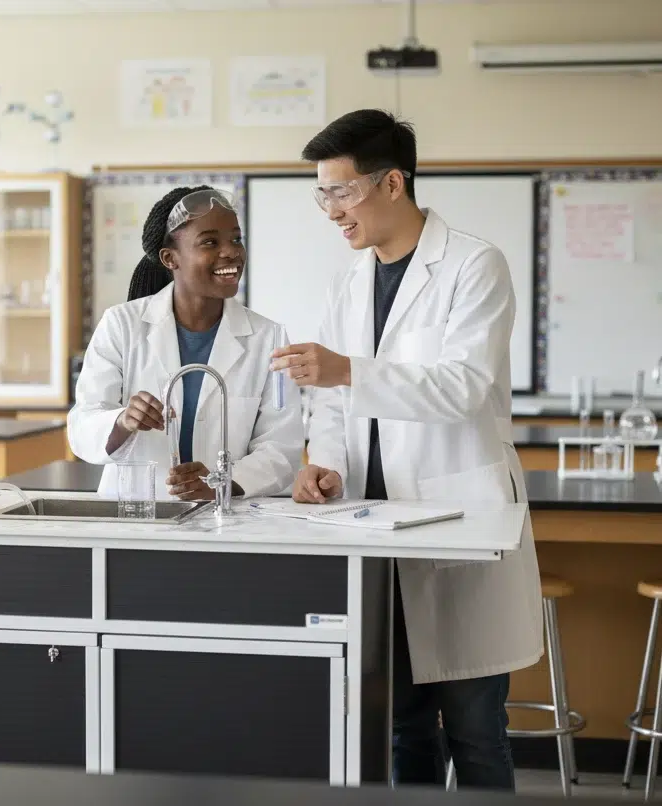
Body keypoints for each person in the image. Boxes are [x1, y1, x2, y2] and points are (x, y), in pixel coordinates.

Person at [270, 110, 543, 790]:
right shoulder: (350, 282)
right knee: (401, 727)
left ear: (393, 183)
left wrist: (345, 371)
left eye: (342, 192)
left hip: (459, 522)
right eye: (322, 195)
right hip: (376, 533)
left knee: (478, 734)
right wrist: (322, 464)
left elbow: (465, 387)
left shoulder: (475, 264)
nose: (331, 211)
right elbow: (332, 404)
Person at [69, 185, 303, 503]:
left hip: (230, 519)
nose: (231, 251)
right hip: (138, 515)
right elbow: (82, 425)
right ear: (170, 258)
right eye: (210, 242)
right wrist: (122, 421)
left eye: (236, 239)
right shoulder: (121, 325)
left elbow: (282, 447)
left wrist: (224, 483)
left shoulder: (268, 338)